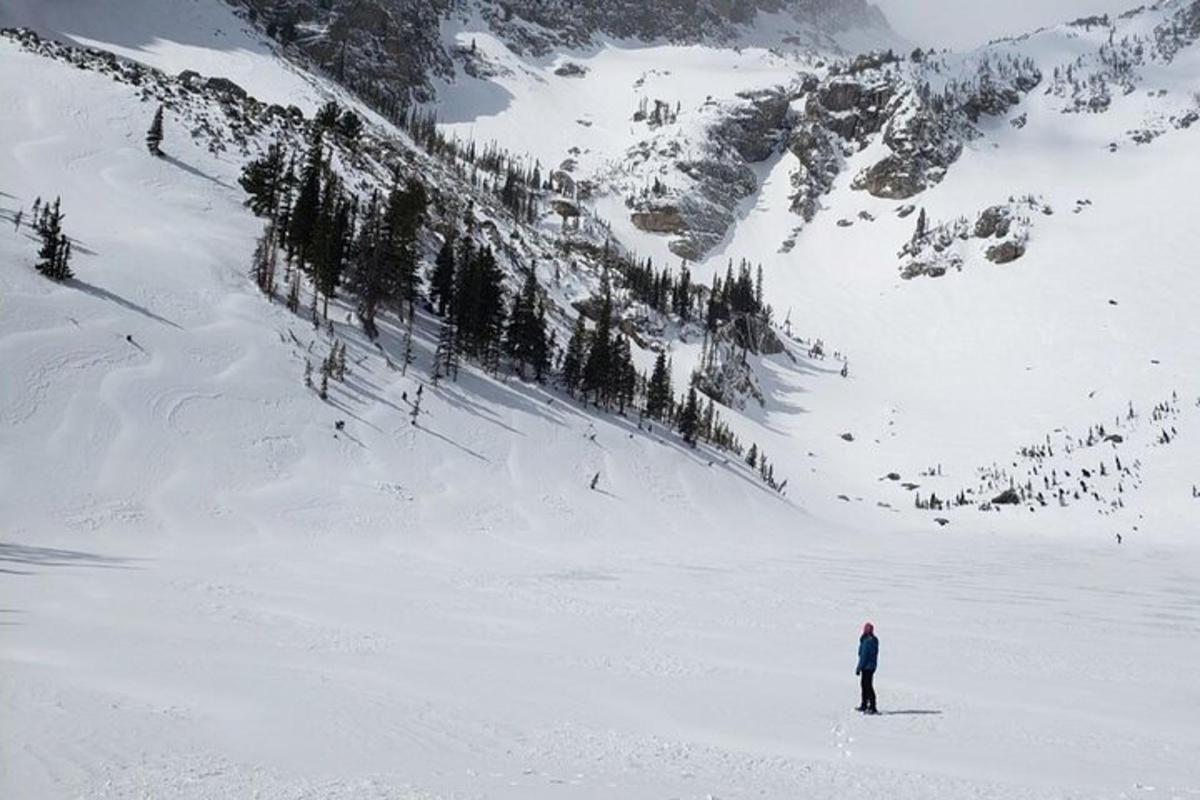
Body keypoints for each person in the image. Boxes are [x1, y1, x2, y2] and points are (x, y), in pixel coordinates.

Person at [856, 622, 879, 714]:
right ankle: (865, 704)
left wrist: (859, 668)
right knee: (866, 685)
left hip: (866, 667)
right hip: (871, 666)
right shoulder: (873, 640)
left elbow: (864, 656)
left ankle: (871, 706)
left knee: (867, 686)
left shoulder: (867, 641)